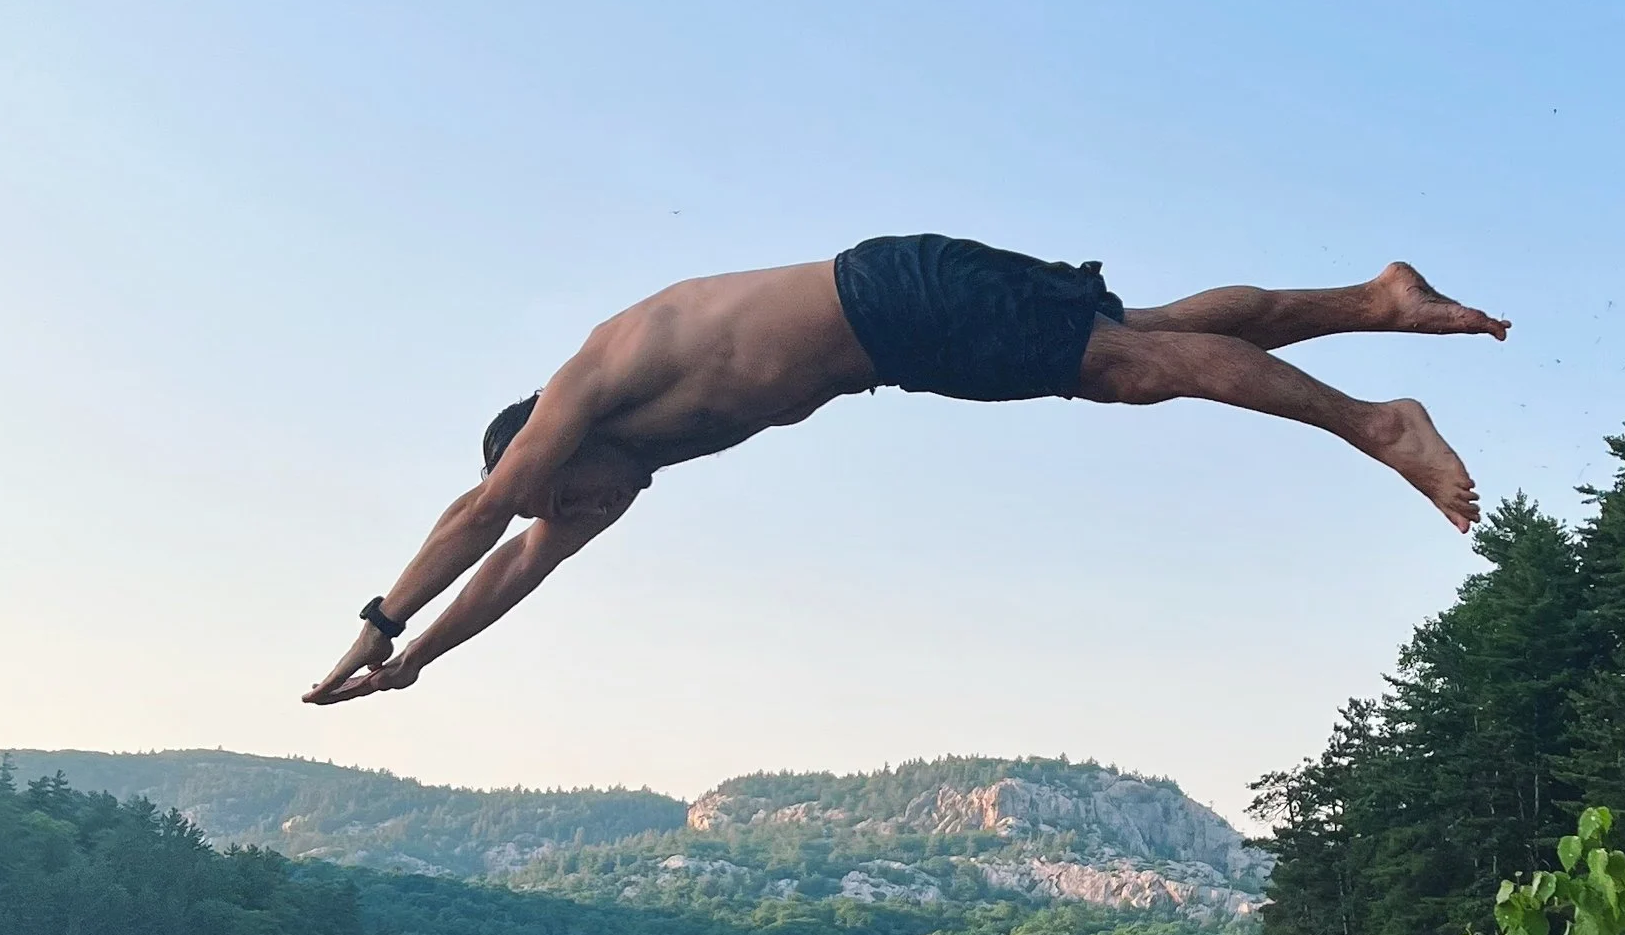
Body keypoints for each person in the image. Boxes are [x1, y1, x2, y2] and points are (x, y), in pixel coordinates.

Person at [304, 235, 1508, 707]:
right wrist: (416, 667)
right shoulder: (613, 467)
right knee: (1144, 328)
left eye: (575, 503)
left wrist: (380, 616)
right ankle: (1373, 299)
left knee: (1132, 365)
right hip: (893, 342)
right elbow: (519, 565)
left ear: (552, 459)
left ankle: (1375, 424)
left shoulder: (590, 387)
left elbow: (487, 514)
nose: (590, 521)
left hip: (889, 296)